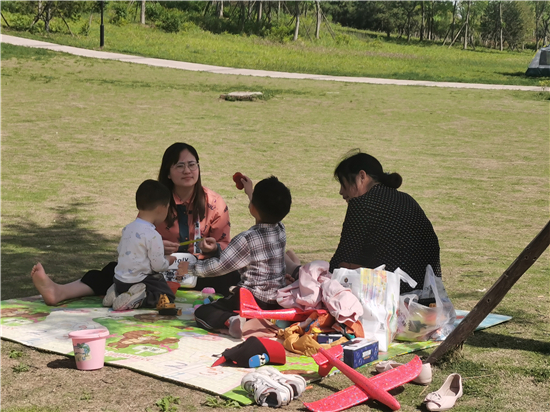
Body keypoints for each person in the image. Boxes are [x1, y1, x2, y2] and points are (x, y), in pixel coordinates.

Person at [30, 142, 240, 306]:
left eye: (192, 164)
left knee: (230, 275)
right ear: (168, 172)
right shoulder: (157, 201)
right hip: (160, 271)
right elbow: (138, 235)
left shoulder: (214, 203)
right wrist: (157, 247)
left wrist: (213, 249)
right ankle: (59, 292)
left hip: (199, 270)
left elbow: (226, 247)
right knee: (115, 270)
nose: (187, 170)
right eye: (180, 165)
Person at [285, 150, 441, 293]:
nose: (341, 191)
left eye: (343, 183)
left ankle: (294, 268)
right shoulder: (406, 199)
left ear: (362, 176)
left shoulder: (362, 204)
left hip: (391, 293)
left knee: (317, 277)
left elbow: (341, 263)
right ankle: (294, 266)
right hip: (426, 290)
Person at [186, 175, 292, 339]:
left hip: (251, 300)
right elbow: (266, 210)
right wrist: (250, 193)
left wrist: (190, 269)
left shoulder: (246, 239)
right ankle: (259, 321)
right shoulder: (280, 229)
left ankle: (231, 321)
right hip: (275, 301)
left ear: (253, 208)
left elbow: (220, 266)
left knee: (203, 312)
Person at [103, 179, 177, 311]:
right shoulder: (153, 235)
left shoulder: (128, 228)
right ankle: (139, 299)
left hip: (119, 280)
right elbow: (158, 266)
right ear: (161, 208)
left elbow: (121, 251)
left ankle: (116, 293)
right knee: (167, 296)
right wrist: (168, 261)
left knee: (132, 283)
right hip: (138, 281)